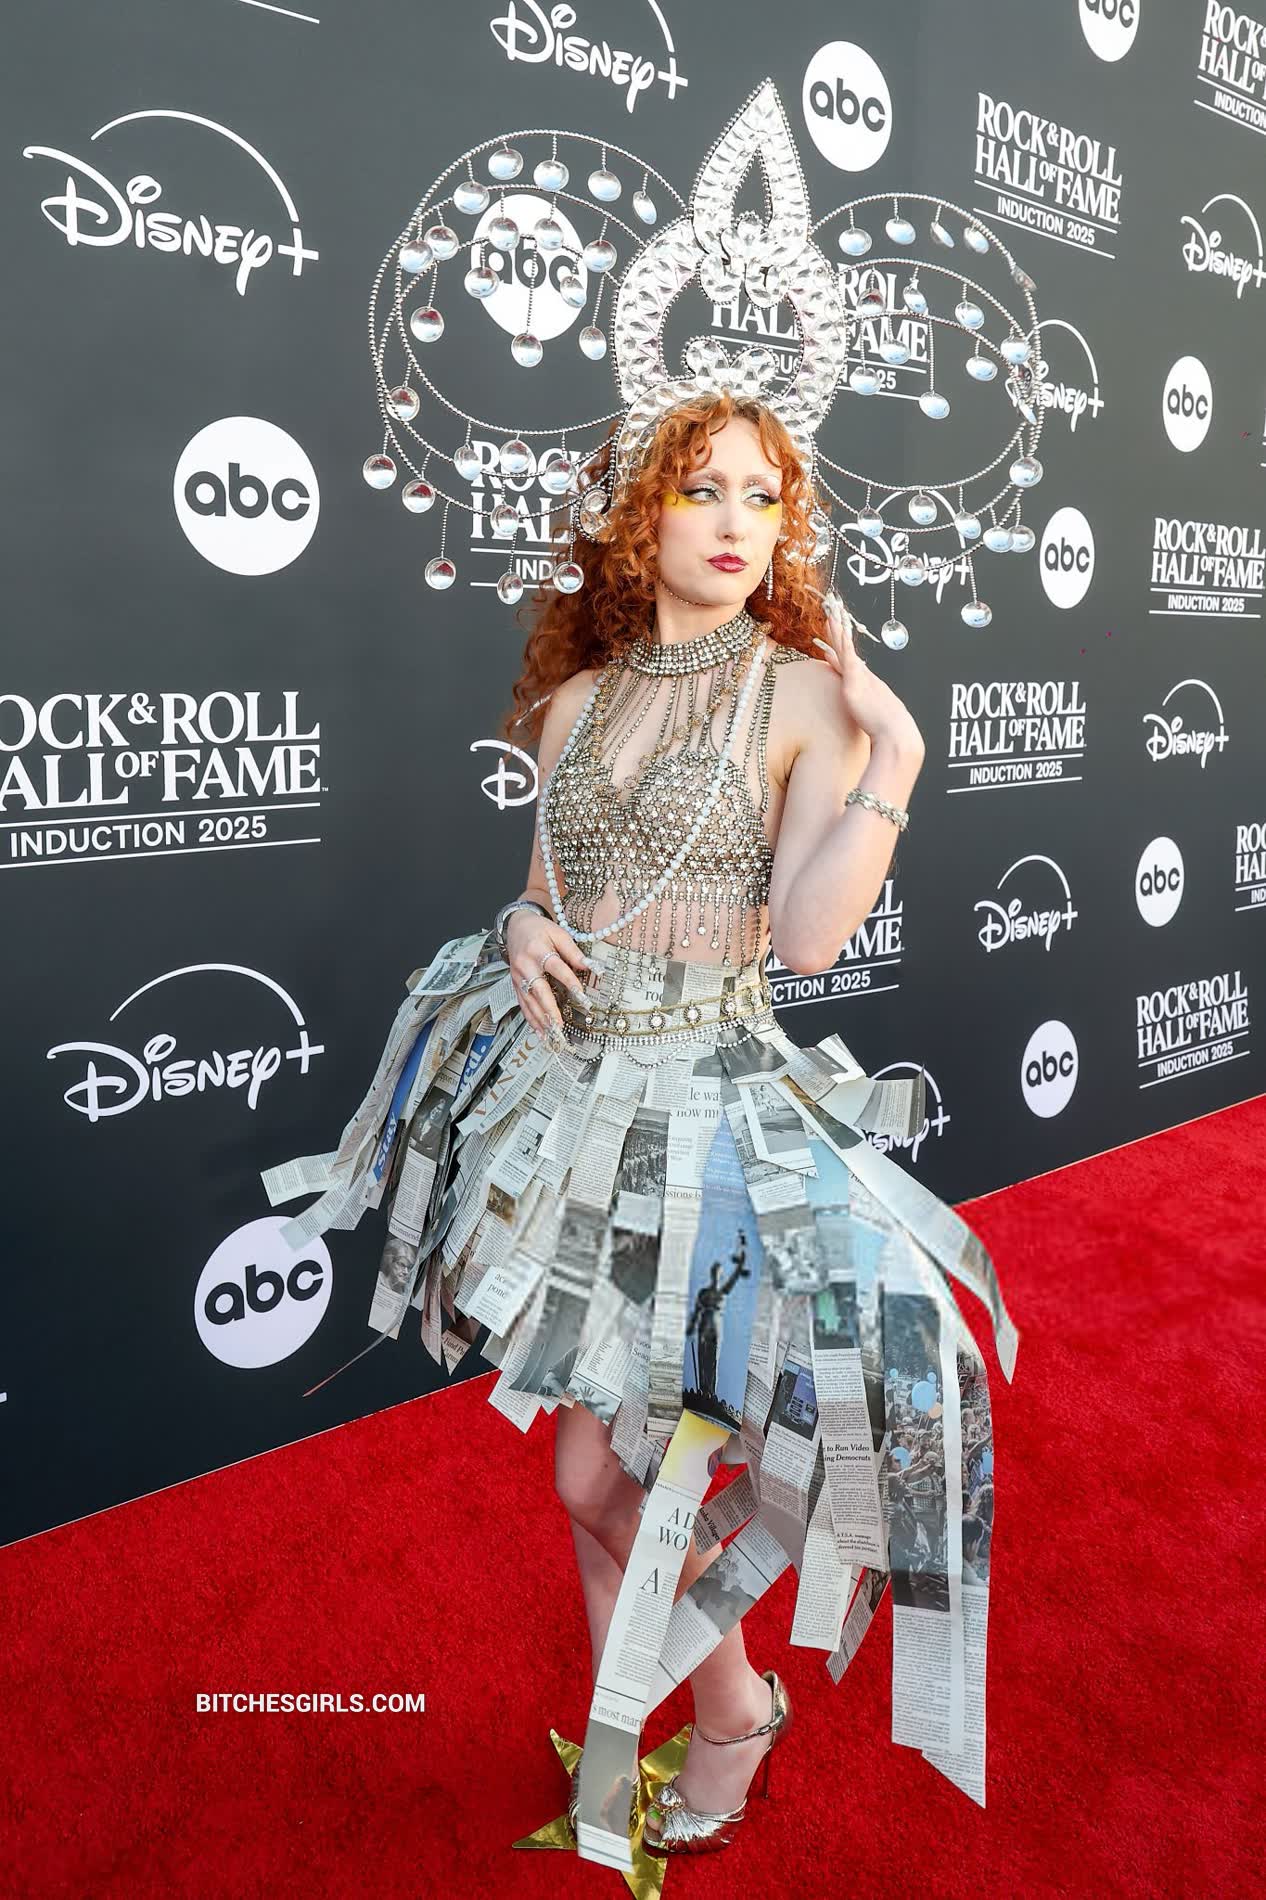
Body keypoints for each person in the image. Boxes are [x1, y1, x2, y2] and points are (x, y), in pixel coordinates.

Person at [262, 383, 1021, 1859]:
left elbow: (806, 941)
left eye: (762, 496)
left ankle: (730, 1715)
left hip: (712, 1137)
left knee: (606, 1477)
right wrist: (514, 923)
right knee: (589, 1481)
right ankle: (665, 1724)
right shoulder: (574, 702)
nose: (737, 522)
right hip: (578, 1119)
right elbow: (551, 894)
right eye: (701, 490)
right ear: (638, 520)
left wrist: (896, 766)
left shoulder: (804, 696)